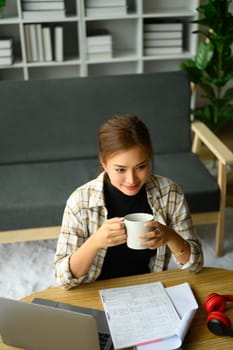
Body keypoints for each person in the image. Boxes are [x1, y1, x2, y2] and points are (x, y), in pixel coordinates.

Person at [53, 114, 203, 290]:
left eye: (141, 166)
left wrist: (169, 235)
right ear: (104, 163)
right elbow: (63, 280)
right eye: (120, 169)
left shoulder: (170, 193)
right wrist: (95, 242)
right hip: (94, 291)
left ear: (150, 160)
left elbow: (196, 264)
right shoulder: (80, 202)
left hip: (148, 287)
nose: (131, 179)